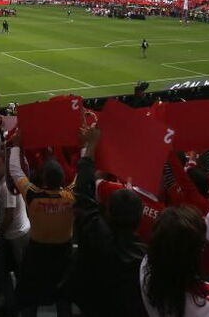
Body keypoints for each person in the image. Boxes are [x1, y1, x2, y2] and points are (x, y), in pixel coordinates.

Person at [64, 125, 147, 317]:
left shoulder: (94, 233)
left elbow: (83, 194)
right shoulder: (146, 256)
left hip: (91, 307)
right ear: (139, 219)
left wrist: (90, 147)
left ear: (108, 212)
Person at [9, 136, 77, 317]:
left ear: (44, 178)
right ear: (62, 179)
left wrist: (16, 146)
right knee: (64, 302)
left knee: (30, 301)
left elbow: (16, 172)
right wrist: (87, 148)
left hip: (36, 255)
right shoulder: (71, 196)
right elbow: (83, 175)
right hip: (64, 256)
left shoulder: (33, 195)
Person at [0, 150, 30, 314]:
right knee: (12, 271)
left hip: (14, 235)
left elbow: (9, 214)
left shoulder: (7, 186)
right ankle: (14, 304)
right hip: (18, 232)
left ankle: (14, 306)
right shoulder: (7, 181)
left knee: (6, 271)